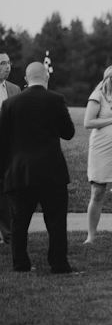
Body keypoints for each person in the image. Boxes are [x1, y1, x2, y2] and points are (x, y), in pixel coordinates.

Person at [0, 62, 75, 272]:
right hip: (52, 171)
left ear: (26, 78)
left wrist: (3, 172)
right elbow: (68, 133)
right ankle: (59, 263)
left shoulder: (10, 104)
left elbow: (2, 142)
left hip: (20, 171)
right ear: (46, 77)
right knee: (56, 221)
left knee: (19, 222)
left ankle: (21, 263)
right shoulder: (56, 100)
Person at [83, 65, 112, 245]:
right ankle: (91, 235)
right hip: (101, 150)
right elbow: (88, 122)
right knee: (98, 192)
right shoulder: (97, 95)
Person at [0, 52, 22, 245]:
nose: (7, 66)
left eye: (8, 62)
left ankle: (8, 234)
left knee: (8, 191)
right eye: (2, 63)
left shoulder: (15, 89)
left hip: (10, 150)